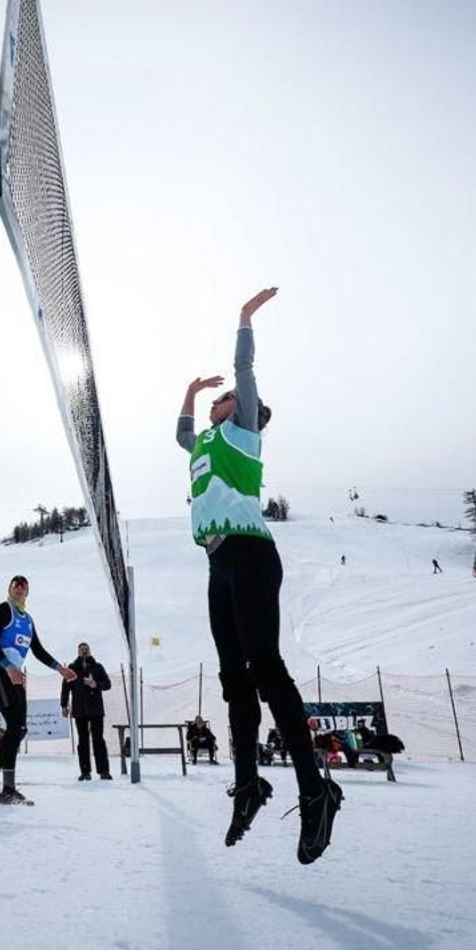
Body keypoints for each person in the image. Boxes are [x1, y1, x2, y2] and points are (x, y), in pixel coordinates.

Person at [177, 287, 341, 863]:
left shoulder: (243, 431)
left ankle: (315, 788)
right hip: (218, 561)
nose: (224, 399)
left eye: (226, 399)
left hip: (250, 553)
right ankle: (248, 783)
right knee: (231, 677)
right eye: (220, 400)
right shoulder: (201, 444)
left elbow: (244, 371)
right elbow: (180, 435)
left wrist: (244, 320)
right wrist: (190, 395)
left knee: (266, 670)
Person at [0, 575, 76, 804]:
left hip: (16, 674)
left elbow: (38, 650)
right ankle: (7, 788)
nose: (19, 588)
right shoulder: (3, 610)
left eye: (24, 586)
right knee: (14, 726)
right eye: (16, 585)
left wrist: (59, 669)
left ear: (28, 592)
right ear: (10, 589)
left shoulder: (28, 620)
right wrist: (8, 666)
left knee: (20, 728)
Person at [61, 642, 113, 781]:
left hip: (96, 709)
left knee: (98, 740)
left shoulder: (97, 667)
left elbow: (108, 684)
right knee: (82, 741)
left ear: (90, 651)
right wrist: (63, 705)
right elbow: (65, 688)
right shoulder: (72, 668)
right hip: (79, 710)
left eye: (86, 649)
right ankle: (85, 772)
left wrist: (96, 684)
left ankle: (103, 771)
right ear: (78, 652)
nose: (84, 651)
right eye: (81, 649)